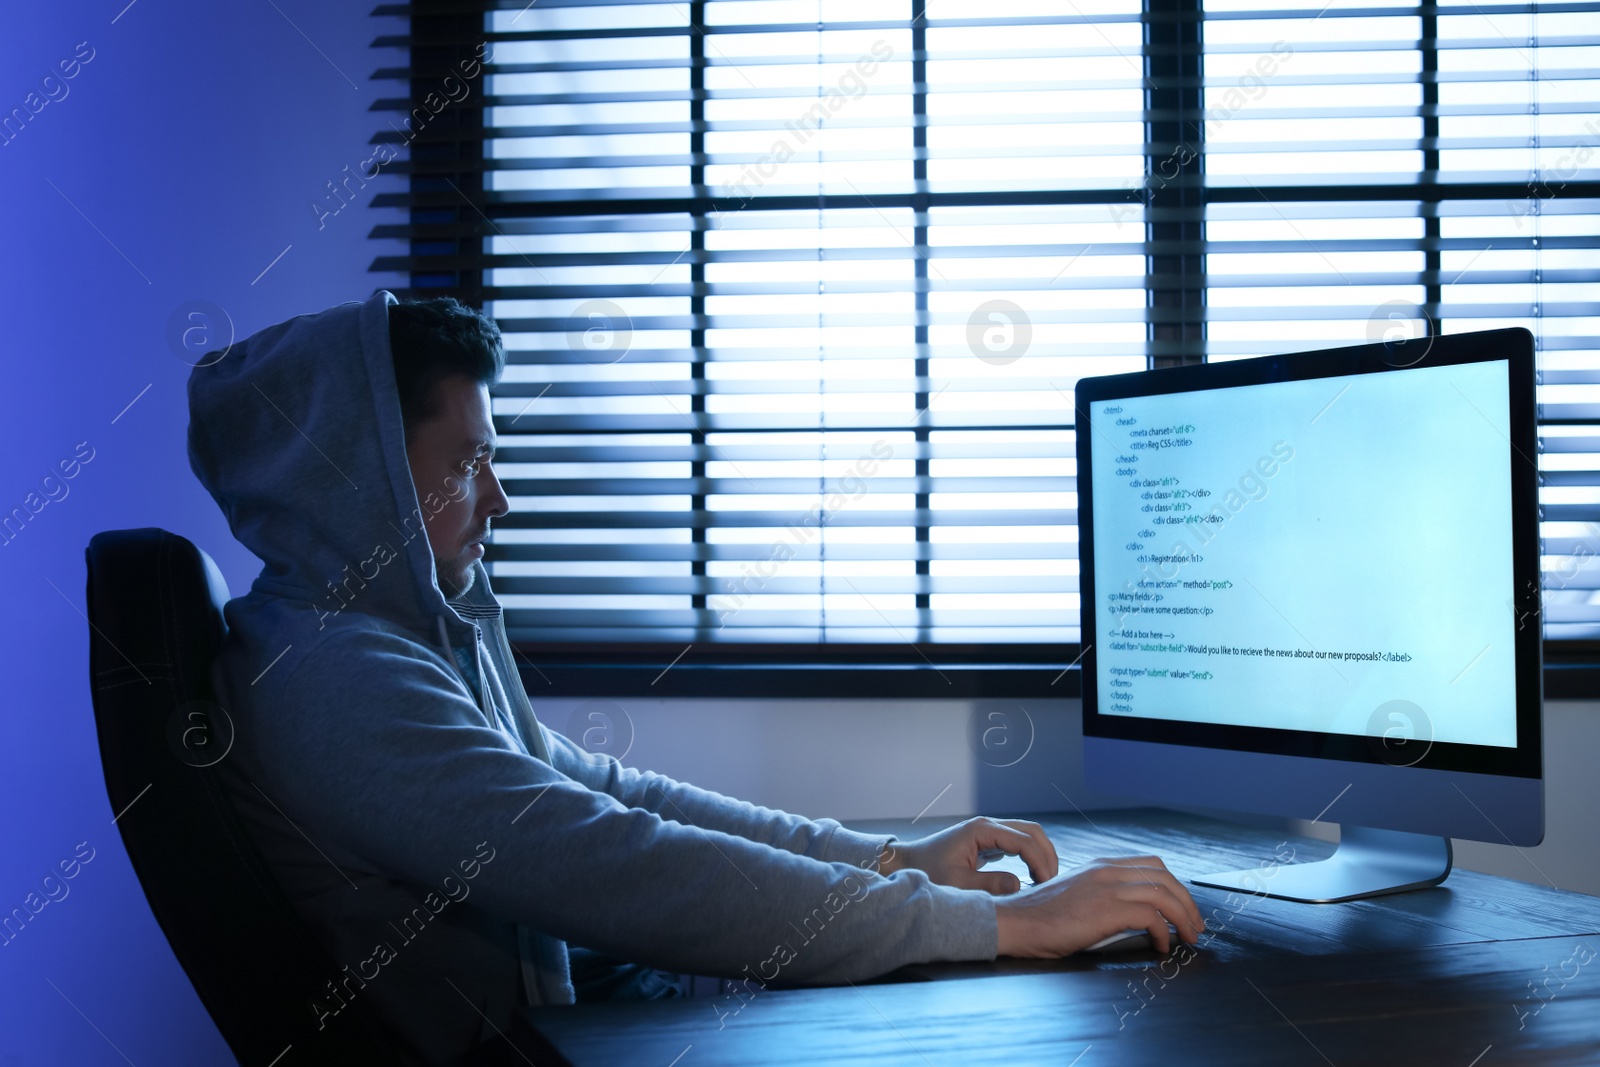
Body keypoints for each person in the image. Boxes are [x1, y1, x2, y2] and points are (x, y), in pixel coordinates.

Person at [187, 290, 1203, 1065]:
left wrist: (892, 859)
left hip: (581, 1000)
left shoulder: (401, 627)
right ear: (356, 482)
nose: (498, 498)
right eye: (465, 465)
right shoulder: (335, 681)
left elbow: (606, 792)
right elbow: (614, 861)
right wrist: (1002, 921)